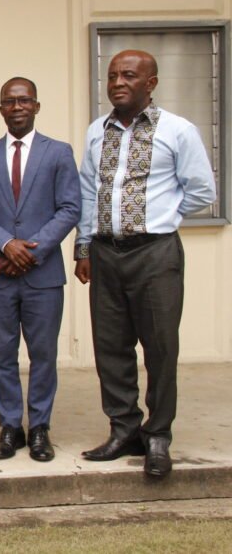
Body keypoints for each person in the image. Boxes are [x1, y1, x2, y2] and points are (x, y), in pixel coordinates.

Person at [74, 49, 215, 478]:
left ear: (150, 83)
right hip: (105, 252)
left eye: (129, 75)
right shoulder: (98, 131)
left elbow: (201, 191)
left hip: (155, 254)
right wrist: (83, 247)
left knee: (160, 348)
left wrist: (163, 216)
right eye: (113, 75)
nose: (117, 82)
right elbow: (87, 192)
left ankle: (158, 435)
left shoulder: (179, 131)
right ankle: (123, 429)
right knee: (111, 347)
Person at [0, 77, 80, 462]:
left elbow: (69, 207)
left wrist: (34, 248)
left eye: (24, 100)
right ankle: (10, 426)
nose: (17, 107)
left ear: (36, 106)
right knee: (3, 354)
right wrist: (5, 244)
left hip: (43, 275)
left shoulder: (59, 153)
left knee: (43, 354)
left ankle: (41, 428)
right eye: (9, 102)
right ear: (0, 109)